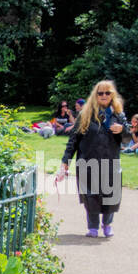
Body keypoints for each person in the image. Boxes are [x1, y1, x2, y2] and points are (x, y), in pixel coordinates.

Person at [57, 80, 127, 238]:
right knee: (91, 196)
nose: (103, 96)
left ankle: (107, 224)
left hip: (110, 162)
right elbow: (73, 141)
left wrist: (123, 130)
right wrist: (65, 163)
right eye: (100, 93)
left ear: (112, 95)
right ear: (95, 95)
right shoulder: (85, 115)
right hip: (88, 162)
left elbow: (127, 139)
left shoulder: (118, 115)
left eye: (107, 93)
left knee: (111, 195)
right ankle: (93, 227)